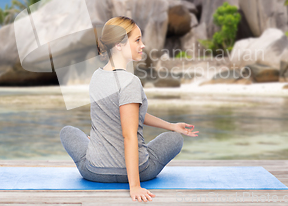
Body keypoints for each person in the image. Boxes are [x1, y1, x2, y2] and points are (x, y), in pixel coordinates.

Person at [60, 15, 199, 202]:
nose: (142, 45)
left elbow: (132, 115)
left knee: (68, 131)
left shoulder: (96, 77)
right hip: (141, 172)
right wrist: (134, 186)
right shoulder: (130, 82)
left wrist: (171, 124)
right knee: (175, 140)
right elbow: (129, 135)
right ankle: (122, 164)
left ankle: (97, 144)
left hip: (95, 171)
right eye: (137, 40)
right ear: (119, 44)